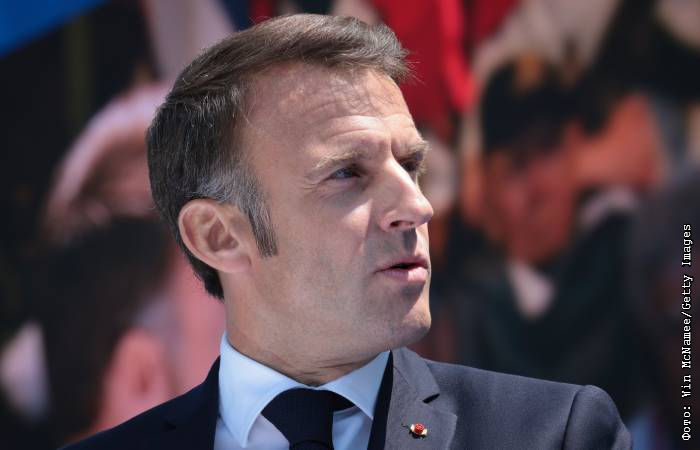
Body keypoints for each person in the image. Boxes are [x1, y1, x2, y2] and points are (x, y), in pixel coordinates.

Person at [65, 14, 630, 449]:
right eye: (347, 173)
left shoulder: (557, 434)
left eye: (410, 165)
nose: (417, 206)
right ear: (219, 236)